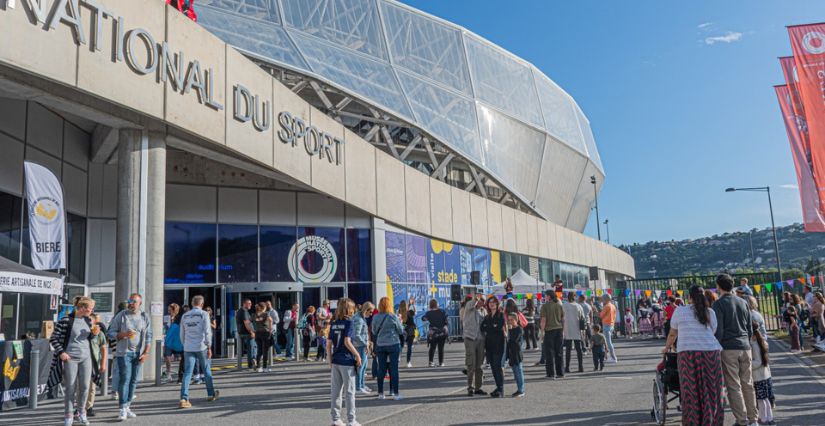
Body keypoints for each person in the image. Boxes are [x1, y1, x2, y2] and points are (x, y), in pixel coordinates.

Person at [663, 285, 724, 426]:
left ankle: (693, 422)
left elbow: (673, 333)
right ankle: (712, 421)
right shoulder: (710, 312)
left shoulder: (680, 311)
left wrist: (667, 347)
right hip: (711, 353)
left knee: (691, 390)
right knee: (712, 390)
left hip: (688, 354)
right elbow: (712, 331)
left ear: (689, 297)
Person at [712, 274, 757, 426]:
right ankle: (753, 419)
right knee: (748, 384)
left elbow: (719, 330)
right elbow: (750, 326)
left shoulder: (718, 304)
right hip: (745, 346)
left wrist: (716, 347)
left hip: (728, 347)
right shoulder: (743, 302)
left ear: (718, 286)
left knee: (733, 385)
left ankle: (742, 420)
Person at [51, 297, 97, 426]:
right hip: (70, 357)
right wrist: (61, 353)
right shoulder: (66, 320)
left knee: (85, 386)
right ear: (82, 308)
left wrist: (94, 334)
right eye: (90, 308)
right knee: (70, 387)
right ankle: (68, 415)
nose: (92, 311)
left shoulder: (88, 320)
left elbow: (88, 338)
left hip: (86, 357)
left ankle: (82, 412)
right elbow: (53, 338)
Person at [107, 293, 152, 421]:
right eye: (130, 301)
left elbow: (149, 335)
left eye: (134, 301)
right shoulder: (121, 315)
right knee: (125, 379)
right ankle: (121, 408)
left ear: (140, 303)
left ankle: (127, 406)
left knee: (133, 380)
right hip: (124, 352)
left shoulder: (144, 316)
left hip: (138, 353)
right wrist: (122, 334)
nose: (131, 303)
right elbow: (110, 332)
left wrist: (146, 352)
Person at [178, 295, 219, 408]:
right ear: (202, 304)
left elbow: (182, 333)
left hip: (188, 347)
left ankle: (183, 398)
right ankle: (210, 394)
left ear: (192, 303)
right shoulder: (204, 314)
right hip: (201, 347)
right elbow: (207, 332)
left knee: (187, 373)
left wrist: (185, 344)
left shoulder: (185, 315)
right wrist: (209, 346)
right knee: (206, 371)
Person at [327, 298, 362, 426]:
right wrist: (357, 355)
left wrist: (329, 360)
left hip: (336, 360)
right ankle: (351, 420)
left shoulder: (335, 323)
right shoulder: (349, 323)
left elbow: (329, 344)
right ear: (349, 309)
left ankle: (335, 418)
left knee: (336, 391)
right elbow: (347, 341)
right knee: (349, 392)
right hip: (346, 360)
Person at [372, 297, 404, 400]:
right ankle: (396, 393)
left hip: (381, 344)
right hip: (393, 344)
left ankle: (381, 393)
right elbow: (400, 330)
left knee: (381, 369)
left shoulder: (376, 317)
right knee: (394, 369)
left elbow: (374, 331)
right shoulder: (393, 317)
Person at [462, 294, 487, 396]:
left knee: (479, 365)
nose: (482, 302)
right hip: (470, 338)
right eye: (480, 300)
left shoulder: (484, 311)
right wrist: (475, 299)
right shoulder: (469, 307)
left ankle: (478, 387)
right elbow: (471, 304)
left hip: (481, 340)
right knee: (471, 364)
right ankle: (470, 388)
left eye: (483, 300)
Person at [481, 296, 506, 397]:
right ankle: (498, 387)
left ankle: (501, 389)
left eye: (494, 302)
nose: (492, 304)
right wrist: (492, 327)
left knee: (497, 367)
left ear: (497, 304)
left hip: (498, 345)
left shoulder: (500, 315)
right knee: (493, 368)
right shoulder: (487, 316)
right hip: (489, 346)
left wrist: (490, 327)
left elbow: (498, 327)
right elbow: (482, 327)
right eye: (490, 302)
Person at [751, 321, 775, 426]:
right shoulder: (762, 341)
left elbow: (758, 362)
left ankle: (764, 419)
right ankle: (770, 418)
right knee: (766, 399)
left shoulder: (754, 344)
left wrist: (747, 365)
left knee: (761, 400)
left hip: (758, 376)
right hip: (766, 375)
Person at [85, 313, 108, 418]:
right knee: (79, 386)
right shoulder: (82, 332)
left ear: (95, 322)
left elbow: (104, 349)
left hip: (94, 364)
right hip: (81, 362)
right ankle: (80, 407)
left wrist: (103, 364)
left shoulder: (100, 334)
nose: (89, 322)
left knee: (91, 387)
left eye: (91, 320)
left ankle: (89, 407)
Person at [541, 291, 564, 379]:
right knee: (559, 352)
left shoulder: (545, 306)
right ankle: (560, 372)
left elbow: (543, 320)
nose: (545, 297)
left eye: (546, 295)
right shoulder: (559, 305)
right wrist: (563, 330)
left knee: (549, 353)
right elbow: (563, 319)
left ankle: (551, 373)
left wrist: (542, 332)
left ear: (549, 296)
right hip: (559, 329)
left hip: (549, 330)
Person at [352, 302, 373, 394]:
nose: (371, 314)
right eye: (370, 312)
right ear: (366, 310)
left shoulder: (361, 317)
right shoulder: (359, 319)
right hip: (360, 346)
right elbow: (356, 335)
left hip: (362, 345)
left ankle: (362, 385)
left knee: (363, 367)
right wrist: (365, 344)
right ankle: (358, 387)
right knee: (360, 367)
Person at [562, 292, 584, 373]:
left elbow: (561, 316)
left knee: (568, 349)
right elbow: (582, 318)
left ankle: (567, 367)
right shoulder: (578, 306)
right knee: (579, 349)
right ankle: (580, 367)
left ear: (567, 297)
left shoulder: (564, 305)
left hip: (567, 329)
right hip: (577, 329)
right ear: (575, 297)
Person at [423, 299, 449, 367]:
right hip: (442, 332)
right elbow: (446, 320)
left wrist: (427, 319)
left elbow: (423, 318)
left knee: (432, 347)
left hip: (433, 333)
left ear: (430, 305)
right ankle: (441, 362)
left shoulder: (428, 313)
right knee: (441, 348)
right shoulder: (442, 311)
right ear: (437, 304)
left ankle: (431, 362)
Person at [506, 313, 525, 398]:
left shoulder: (519, 329)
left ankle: (521, 390)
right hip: (512, 354)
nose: (510, 322)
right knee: (515, 373)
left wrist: (509, 330)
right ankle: (519, 389)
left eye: (511, 320)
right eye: (508, 320)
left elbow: (514, 341)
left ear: (516, 320)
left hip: (517, 353)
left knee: (519, 372)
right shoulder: (511, 329)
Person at [163, 304, 182, 383]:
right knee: (167, 356)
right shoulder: (166, 318)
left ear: (175, 310)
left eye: (170, 310)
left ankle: (180, 376)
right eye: (168, 310)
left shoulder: (180, 318)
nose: (168, 311)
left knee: (181, 357)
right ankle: (168, 373)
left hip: (178, 341)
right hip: (168, 341)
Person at [236, 299, 257, 369]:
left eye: (250, 303)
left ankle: (252, 361)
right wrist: (251, 332)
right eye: (249, 303)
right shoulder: (244, 311)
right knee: (252, 348)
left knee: (251, 348)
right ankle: (252, 362)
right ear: (244, 304)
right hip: (247, 332)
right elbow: (246, 323)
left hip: (243, 332)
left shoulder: (241, 311)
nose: (250, 304)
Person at [253, 302, 273, 372]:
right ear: (264, 307)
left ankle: (258, 367)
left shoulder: (254, 315)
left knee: (259, 350)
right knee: (265, 351)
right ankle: (264, 367)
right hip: (265, 333)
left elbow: (249, 322)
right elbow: (270, 320)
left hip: (257, 333)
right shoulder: (266, 314)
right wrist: (270, 329)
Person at [598, 294, 617, 362]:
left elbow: (601, 315)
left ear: (605, 299)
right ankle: (609, 357)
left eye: (603, 299)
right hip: (611, 325)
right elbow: (614, 317)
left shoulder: (606, 306)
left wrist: (595, 311)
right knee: (608, 342)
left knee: (608, 342)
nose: (602, 300)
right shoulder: (613, 306)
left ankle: (613, 357)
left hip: (606, 325)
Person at [398, 300, 416, 368]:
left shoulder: (400, 313)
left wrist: (409, 304)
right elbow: (415, 312)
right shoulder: (410, 312)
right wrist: (413, 305)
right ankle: (408, 362)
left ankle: (398, 357)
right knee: (409, 347)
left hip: (403, 330)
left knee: (401, 345)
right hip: (410, 331)